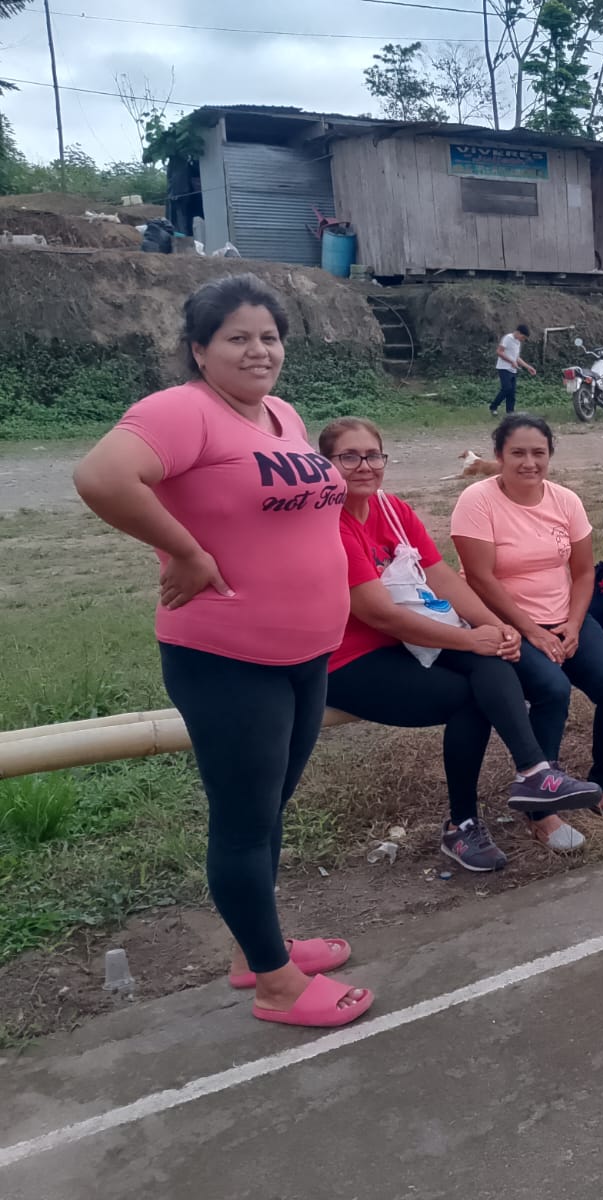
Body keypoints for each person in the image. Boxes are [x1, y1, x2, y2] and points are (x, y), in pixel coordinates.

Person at [72, 274, 373, 1029]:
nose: (258, 350)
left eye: (269, 337)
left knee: (270, 809)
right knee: (242, 821)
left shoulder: (282, 413)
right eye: (237, 337)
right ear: (200, 349)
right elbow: (101, 478)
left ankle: (256, 949)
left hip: (307, 652)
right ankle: (275, 986)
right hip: (228, 657)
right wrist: (185, 551)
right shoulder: (181, 411)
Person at [320, 416, 602, 870]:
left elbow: (444, 578)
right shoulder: (329, 523)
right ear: (325, 465)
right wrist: (470, 639)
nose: (364, 466)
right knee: (471, 694)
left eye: (372, 455)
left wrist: (496, 628)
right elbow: (378, 614)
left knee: (491, 664)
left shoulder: (392, 510)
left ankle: (533, 774)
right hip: (352, 657)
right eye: (348, 457)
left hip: (411, 641)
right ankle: (463, 823)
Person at [453, 414, 603, 853]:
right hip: (504, 621)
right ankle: (542, 810)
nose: (529, 462)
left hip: (563, 616)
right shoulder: (477, 500)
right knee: (552, 689)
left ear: (550, 455)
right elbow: (479, 578)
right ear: (499, 455)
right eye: (517, 453)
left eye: (539, 453)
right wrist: (531, 631)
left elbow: (583, 572)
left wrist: (572, 624)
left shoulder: (565, 500)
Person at [490, 323, 536, 415]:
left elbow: (517, 358)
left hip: (513, 370)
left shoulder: (517, 342)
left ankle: (510, 412)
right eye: (523, 337)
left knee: (512, 392)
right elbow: (499, 352)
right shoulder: (508, 338)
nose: (523, 340)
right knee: (506, 388)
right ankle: (493, 407)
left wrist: (528, 367)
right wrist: (511, 361)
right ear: (518, 332)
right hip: (504, 368)